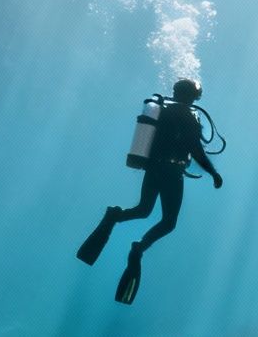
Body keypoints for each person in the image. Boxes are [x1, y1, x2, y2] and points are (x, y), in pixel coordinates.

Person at [76, 78, 222, 304]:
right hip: (172, 172)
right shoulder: (190, 119)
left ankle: (114, 215)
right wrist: (213, 173)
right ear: (194, 97)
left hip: (153, 168)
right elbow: (197, 152)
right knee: (169, 222)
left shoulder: (162, 112)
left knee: (143, 210)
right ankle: (139, 247)